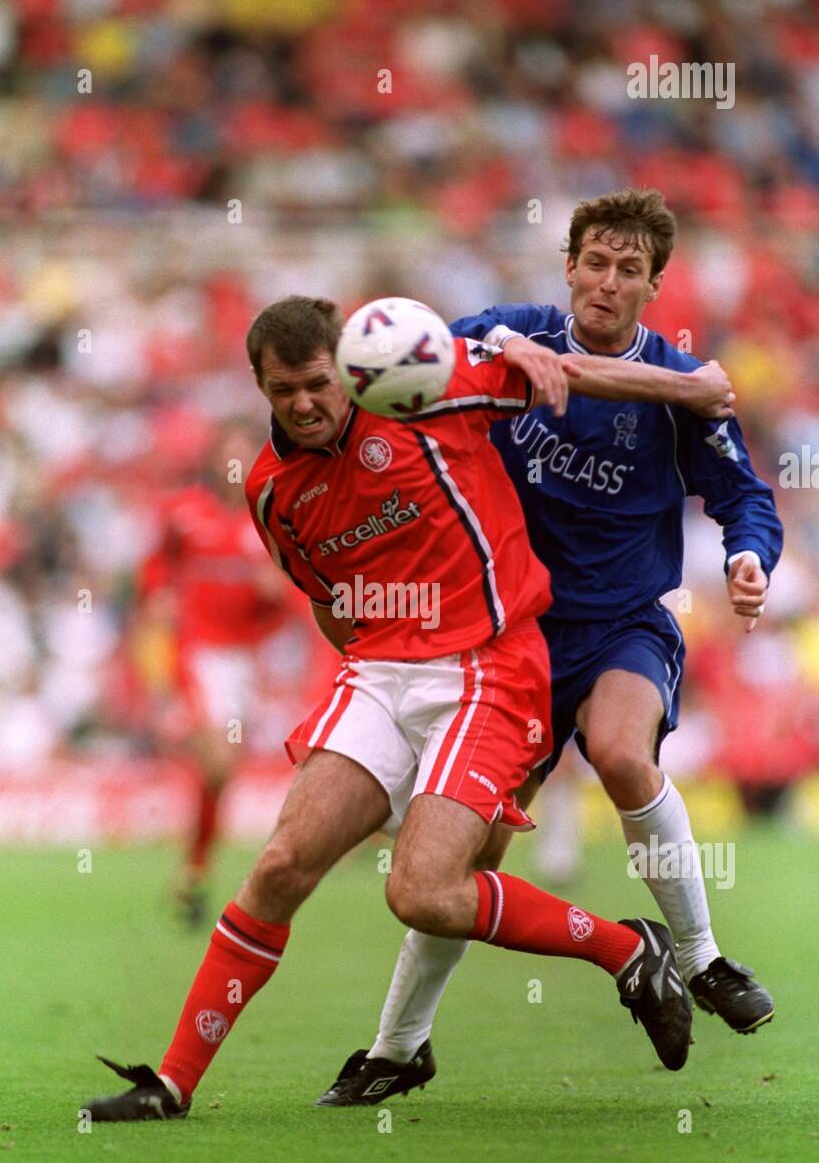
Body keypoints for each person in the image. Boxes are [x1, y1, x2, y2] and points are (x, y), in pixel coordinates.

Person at [82, 292, 736, 1122]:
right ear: (261, 388)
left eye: (319, 383)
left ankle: (627, 951)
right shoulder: (269, 491)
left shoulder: (424, 389)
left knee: (423, 891)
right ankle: (172, 1084)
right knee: (281, 866)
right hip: (380, 672)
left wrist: (689, 388)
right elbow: (327, 598)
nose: (305, 404)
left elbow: (566, 374)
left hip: (488, 666)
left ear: (346, 372)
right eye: (284, 393)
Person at [316, 189, 784, 1111]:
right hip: (513, 643)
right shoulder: (512, 329)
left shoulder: (685, 385)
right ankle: (398, 1046)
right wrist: (508, 351)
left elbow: (745, 494)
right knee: (463, 862)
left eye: (629, 270)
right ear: (569, 266)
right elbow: (435, 354)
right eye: (595, 263)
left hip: (623, 623)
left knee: (617, 748)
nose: (607, 282)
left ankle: (702, 958)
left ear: (655, 284)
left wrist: (746, 556)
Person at [137, 424, 288, 923]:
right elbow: (156, 565)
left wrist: (274, 596)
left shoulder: (267, 523)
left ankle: (193, 872)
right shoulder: (185, 513)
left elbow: (285, 600)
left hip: (242, 662)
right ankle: (179, 725)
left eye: (244, 458)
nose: (235, 468)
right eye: (229, 457)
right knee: (220, 765)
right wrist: (158, 593)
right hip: (197, 652)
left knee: (219, 777)